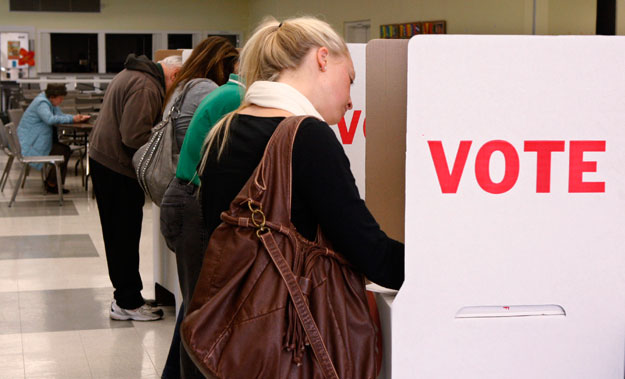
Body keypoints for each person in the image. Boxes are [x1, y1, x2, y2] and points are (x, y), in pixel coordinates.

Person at [194, 15, 404, 376]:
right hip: (292, 345)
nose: (351, 100)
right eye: (350, 80)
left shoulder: (225, 131)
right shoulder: (308, 137)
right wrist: (443, 267)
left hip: (235, 343)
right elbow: (371, 253)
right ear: (323, 59)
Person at [157, 37, 238, 379]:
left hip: (178, 194)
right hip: (192, 196)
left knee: (192, 306)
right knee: (198, 311)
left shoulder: (185, 85)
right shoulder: (215, 91)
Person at [88, 54, 182, 321]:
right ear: (174, 76)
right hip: (116, 167)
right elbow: (134, 137)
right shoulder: (147, 86)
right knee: (123, 235)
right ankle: (127, 302)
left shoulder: (134, 74)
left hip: (104, 161)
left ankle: (128, 296)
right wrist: (165, 140)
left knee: (120, 235)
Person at [17, 83, 90, 193]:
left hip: (36, 141)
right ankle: (52, 184)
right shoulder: (42, 103)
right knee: (63, 150)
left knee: (64, 149)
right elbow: (50, 119)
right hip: (31, 144)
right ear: (52, 97)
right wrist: (72, 119)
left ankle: (53, 183)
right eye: (60, 98)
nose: (61, 101)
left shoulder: (48, 102)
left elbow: (59, 115)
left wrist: (75, 118)